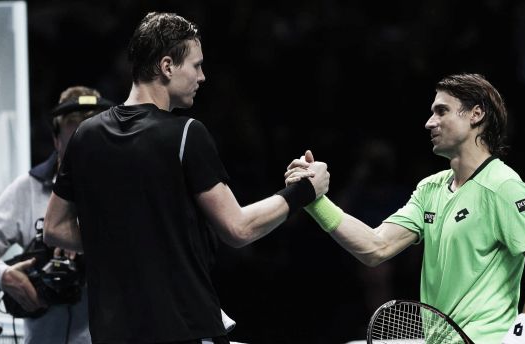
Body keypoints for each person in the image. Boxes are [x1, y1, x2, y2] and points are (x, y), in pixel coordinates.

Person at [43, 12, 329, 344]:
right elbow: (238, 229)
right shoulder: (186, 134)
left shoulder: (84, 136)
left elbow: (55, 228)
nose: (203, 76)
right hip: (183, 330)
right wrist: (303, 191)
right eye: (196, 65)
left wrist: (122, 242)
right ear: (167, 66)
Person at [286, 73, 525, 344]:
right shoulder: (430, 189)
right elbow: (375, 247)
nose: (429, 122)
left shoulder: (503, 186)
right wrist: (313, 200)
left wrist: (518, 337)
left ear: (476, 114)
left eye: (442, 111)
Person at [0, 85, 115, 343]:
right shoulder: (27, 189)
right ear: (56, 140)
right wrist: (4, 277)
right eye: (74, 144)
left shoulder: (122, 194)